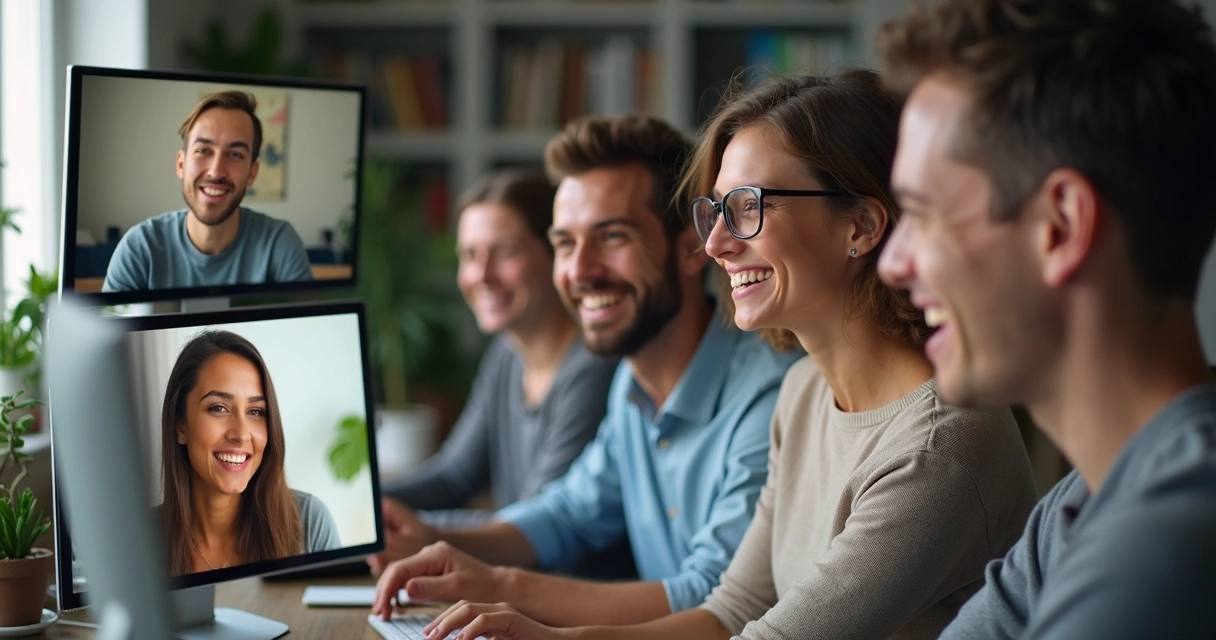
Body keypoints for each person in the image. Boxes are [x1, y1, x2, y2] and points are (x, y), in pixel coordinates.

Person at [410, 71, 1040, 640]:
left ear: (861, 227)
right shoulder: (802, 396)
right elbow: (732, 610)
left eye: (748, 208)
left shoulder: (940, 448)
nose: (714, 244)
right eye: (715, 211)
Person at [369, 114, 800, 627]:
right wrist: (435, 541)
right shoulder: (631, 385)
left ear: (691, 246)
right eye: (566, 243)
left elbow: (713, 597)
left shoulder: (770, 393)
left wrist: (498, 585)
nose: (579, 271)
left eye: (612, 236)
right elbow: (567, 514)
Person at [875, 1, 1216, 637]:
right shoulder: (1076, 508)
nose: (893, 263)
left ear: (1060, 227)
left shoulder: (1165, 549)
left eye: (923, 213)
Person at [379, 168, 619, 532]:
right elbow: (454, 477)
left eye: (505, 252)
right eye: (469, 255)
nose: (481, 276)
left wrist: (375, 528)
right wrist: (359, 505)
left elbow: (531, 530)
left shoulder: (593, 367)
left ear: (556, 255)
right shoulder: (506, 353)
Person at [159, 330, 340, 575]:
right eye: (219, 408)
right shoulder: (133, 539)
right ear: (181, 426)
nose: (241, 434)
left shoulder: (310, 522)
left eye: (255, 411)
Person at [103, 91, 313, 292]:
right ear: (181, 164)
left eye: (235, 154)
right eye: (203, 151)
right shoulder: (140, 247)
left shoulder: (279, 241)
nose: (216, 171)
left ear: (252, 173)